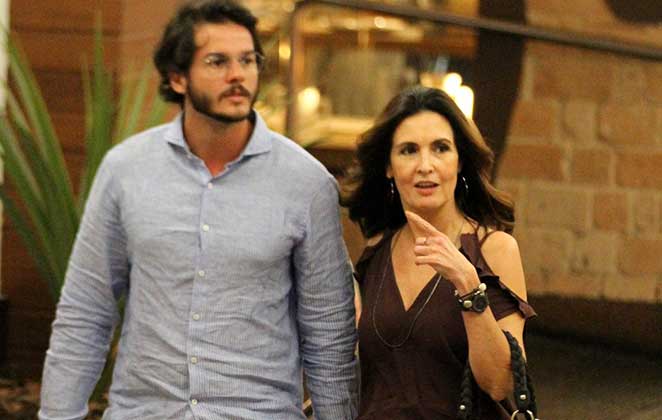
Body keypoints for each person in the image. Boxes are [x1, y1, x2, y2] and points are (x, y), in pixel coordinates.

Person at [38, 1, 358, 419]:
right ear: (178, 77)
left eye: (248, 60)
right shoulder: (126, 170)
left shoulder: (306, 183)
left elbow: (329, 336)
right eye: (217, 62)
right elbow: (85, 311)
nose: (237, 75)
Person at [342, 86, 536, 419]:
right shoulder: (375, 252)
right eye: (408, 150)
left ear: (460, 161)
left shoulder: (494, 249)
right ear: (388, 166)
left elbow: (500, 384)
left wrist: (468, 286)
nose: (425, 165)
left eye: (441, 148)